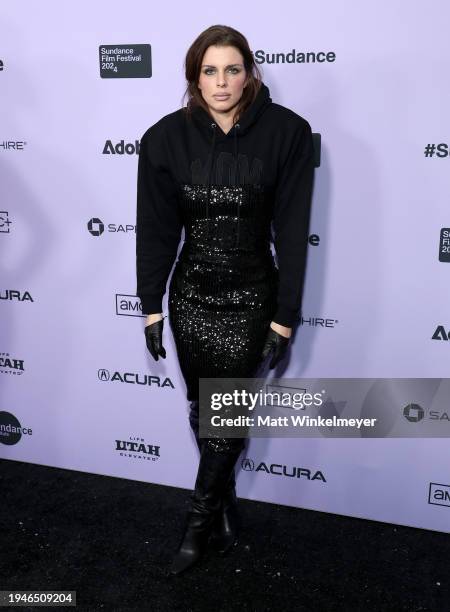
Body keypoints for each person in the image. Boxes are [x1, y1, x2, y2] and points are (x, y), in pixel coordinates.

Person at [136, 24, 315, 576]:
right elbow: (157, 229)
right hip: (191, 295)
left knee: (226, 412)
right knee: (201, 407)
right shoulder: (165, 137)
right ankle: (226, 502)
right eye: (209, 70)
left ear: (250, 73)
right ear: (194, 76)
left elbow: (292, 230)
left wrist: (286, 316)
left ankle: (197, 522)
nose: (221, 82)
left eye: (232, 69)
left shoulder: (288, 132)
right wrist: (151, 303)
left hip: (252, 297)